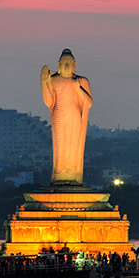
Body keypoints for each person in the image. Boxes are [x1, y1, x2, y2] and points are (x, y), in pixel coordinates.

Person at [41, 49, 92, 186]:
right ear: (59, 64)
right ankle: (60, 175)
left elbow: (88, 103)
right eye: (64, 63)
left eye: (69, 63)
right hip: (59, 114)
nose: (67, 66)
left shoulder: (81, 80)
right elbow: (49, 101)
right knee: (60, 145)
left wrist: (77, 88)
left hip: (74, 115)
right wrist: (44, 83)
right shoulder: (54, 80)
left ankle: (73, 174)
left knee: (73, 145)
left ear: (74, 65)